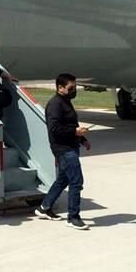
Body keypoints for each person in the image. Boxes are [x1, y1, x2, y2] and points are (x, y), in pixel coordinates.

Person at [36, 73, 92, 230]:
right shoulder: (55, 104)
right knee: (76, 181)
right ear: (60, 88)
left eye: (75, 87)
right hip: (63, 148)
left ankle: (44, 207)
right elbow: (54, 129)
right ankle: (73, 217)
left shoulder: (66, 102)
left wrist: (82, 139)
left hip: (71, 145)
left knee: (63, 179)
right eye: (71, 88)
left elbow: (71, 123)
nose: (74, 90)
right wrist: (75, 132)